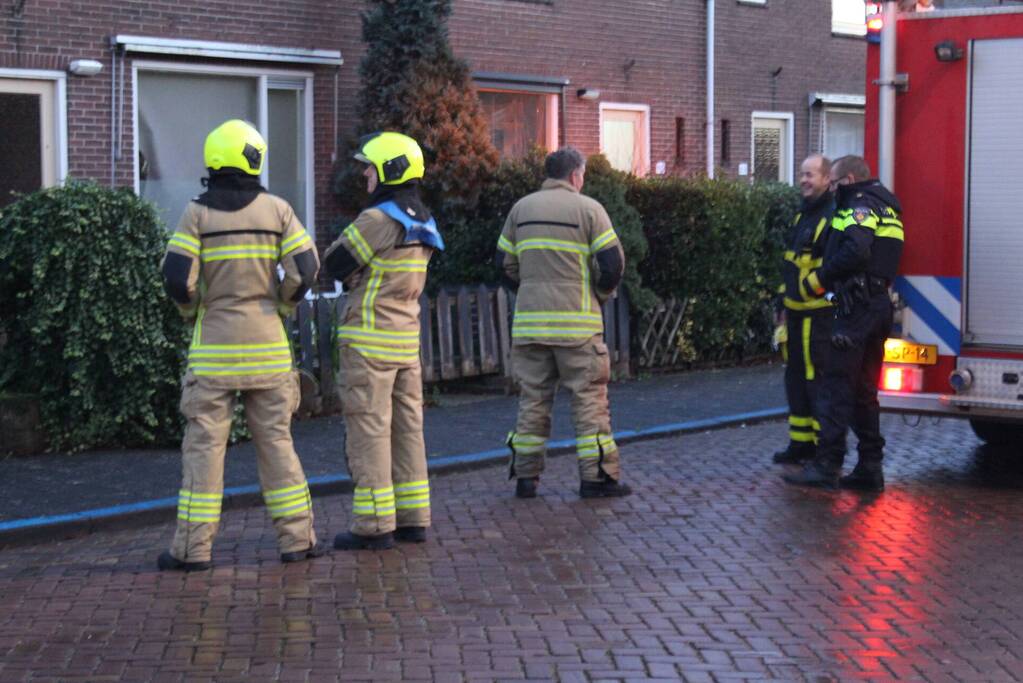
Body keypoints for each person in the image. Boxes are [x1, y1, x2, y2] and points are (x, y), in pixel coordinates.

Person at [158, 119, 322, 571]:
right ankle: (297, 541)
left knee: (204, 450)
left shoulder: (197, 213)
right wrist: (282, 303)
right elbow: (307, 270)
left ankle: (193, 550)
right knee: (277, 443)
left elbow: (176, 278)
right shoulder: (278, 210)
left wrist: (193, 311)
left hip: (213, 353)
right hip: (268, 351)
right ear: (254, 157)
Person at [323, 132, 443, 550]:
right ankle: (413, 519)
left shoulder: (377, 220)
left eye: (370, 167)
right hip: (405, 343)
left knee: (370, 431)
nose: (365, 174)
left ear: (390, 170)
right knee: (409, 430)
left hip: (368, 342)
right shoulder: (423, 220)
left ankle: (373, 524)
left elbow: (336, 264)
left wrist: (356, 274)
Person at [497, 147, 629, 499]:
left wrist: (530, 291)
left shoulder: (520, 209)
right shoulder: (589, 210)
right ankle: (596, 478)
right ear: (575, 175)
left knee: (533, 401)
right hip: (578, 328)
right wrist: (598, 294)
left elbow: (504, 265)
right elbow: (612, 264)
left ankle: (525, 478)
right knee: (589, 402)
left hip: (529, 327)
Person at [783, 155, 904, 492]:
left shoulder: (859, 206)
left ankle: (827, 464)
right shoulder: (888, 206)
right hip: (878, 305)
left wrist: (819, 279)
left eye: (835, 183)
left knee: (836, 386)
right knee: (865, 392)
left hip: (856, 308)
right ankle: (869, 467)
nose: (833, 190)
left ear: (848, 180)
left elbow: (856, 251)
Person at [772, 155, 835, 465]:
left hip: (818, 317)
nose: (804, 180)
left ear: (827, 179)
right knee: (795, 379)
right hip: (795, 314)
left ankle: (825, 449)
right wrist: (782, 302)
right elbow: (790, 263)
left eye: (810, 175)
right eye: (802, 174)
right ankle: (800, 444)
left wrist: (810, 289)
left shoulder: (831, 217)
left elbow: (835, 266)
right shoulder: (802, 216)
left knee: (816, 381)